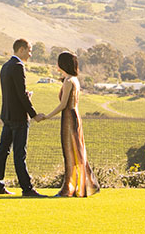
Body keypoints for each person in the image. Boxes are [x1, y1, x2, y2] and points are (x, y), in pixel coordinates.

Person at [40, 51, 100, 197]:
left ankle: (70, 188)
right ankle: (84, 185)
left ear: (62, 64)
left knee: (70, 153)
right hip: (74, 117)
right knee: (77, 152)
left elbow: (63, 105)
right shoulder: (73, 80)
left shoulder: (68, 82)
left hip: (69, 118)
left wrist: (46, 116)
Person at [0, 38, 45, 197]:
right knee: (19, 154)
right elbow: (21, 95)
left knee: (2, 151)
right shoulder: (18, 67)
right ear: (21, 50)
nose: (30, 54)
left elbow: (12, 93)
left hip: (7, 115)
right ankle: (27, 189)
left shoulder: (5, 66)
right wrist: (34, 115)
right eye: (29, 50)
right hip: (18, 118)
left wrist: (25, 95)